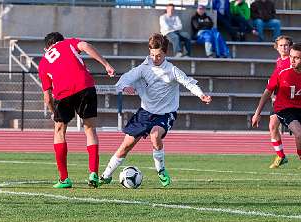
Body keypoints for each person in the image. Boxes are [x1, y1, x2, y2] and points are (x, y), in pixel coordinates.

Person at [98, 33, 211, 187]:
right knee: (126, 146)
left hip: (165, 114)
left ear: (165, 53)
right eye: (152, 54)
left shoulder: (172, 70)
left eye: (158, 55)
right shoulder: (143, 68)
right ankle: (106, 175)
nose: (155, 58)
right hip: (145, 113)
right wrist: (125, 87)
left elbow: (188, 82)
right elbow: (124, 79)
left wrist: (201, 94)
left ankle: (161, 171)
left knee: (154, 135)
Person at [38, 32, 115, 188]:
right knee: (90, 129)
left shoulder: (43, 62)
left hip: (63, 92)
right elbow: (86, 46)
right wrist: (106, 64)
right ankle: (93, 173)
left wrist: (54, 113)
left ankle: (64, 179)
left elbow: (47, 97)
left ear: (47, 48)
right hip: (85, 86)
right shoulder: (69, 43)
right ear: (61, 41)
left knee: (59, 132)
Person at [252, 43, 301, 162]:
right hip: (285, 108)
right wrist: (257, 113)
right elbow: (267, 93)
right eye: (291, 57)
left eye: (296, 58)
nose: (292, 60)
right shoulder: (281, 71)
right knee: (299, 133)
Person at [265, 35, 293, 168]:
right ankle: (281, 156)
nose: (284, 47)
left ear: (290, 47)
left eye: (286, 45)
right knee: (272, 126)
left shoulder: (293, 62)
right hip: (279, 101)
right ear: (277, 48)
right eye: (281, 45)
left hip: (292, 101)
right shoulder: (279, 61)